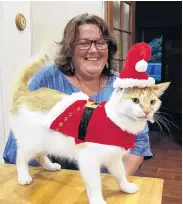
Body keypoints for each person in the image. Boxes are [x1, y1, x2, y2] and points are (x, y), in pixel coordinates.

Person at [3, 13, 152, 176]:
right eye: (84, 43)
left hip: (105, 182)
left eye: (101, 43)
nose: (94, 50)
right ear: (70, 49)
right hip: (56, 181)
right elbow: (20, 141)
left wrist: (108, 187)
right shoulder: (48, 78)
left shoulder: (124, 86)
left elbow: (137, 147)